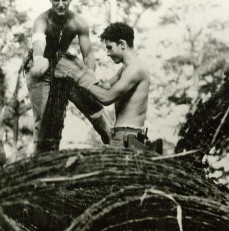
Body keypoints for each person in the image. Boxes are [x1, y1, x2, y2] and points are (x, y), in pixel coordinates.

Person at [25, 0, 112, 152]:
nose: (60, 4)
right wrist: (39, 59)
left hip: (63, 66)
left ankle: (116, 139)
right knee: (44, 120)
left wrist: (90, 78)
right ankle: (40, 159)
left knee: (92, 103)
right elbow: (39, 43)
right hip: (41, 69)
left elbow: (88, 55)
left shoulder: (78, 22)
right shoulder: (41, 20)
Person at [54, 22, 157, 151]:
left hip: (128, 136)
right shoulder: (125, 69)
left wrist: (79, 77)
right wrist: (80, 69)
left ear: (122, 44)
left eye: (110, 47)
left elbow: (107, 98)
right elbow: (105, 87)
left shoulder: (136, 70)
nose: (108, 53)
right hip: (123, 135)